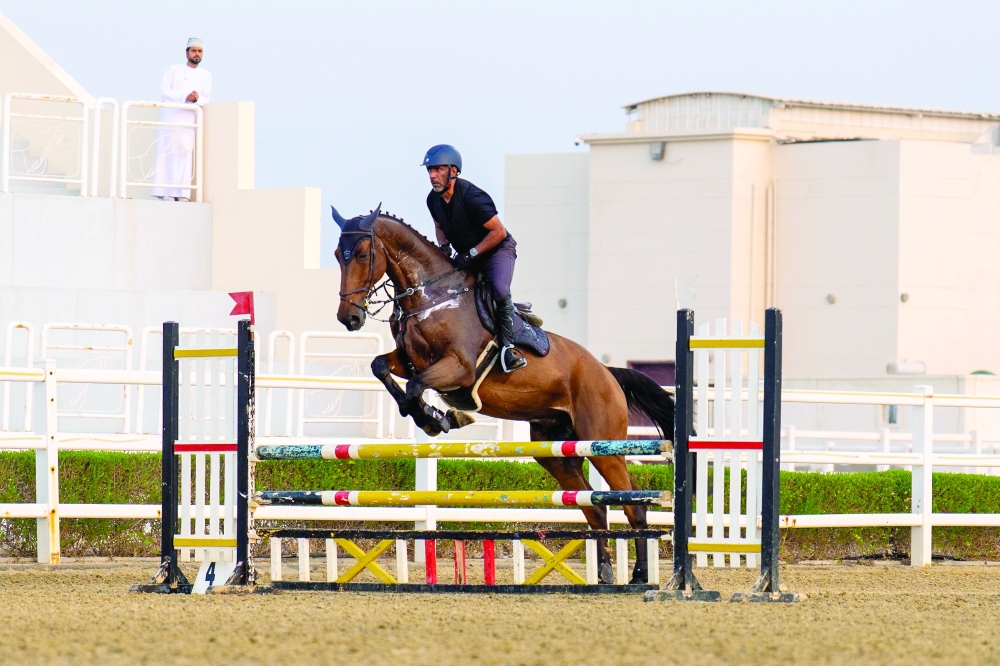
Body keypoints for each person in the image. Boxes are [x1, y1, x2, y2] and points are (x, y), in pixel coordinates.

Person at [423, 144, 526, 372]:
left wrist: (471, 253)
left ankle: (509, 348)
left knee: (499, 290)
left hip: (497, 250)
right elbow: (439, 226)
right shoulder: (433, 200)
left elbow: (498, 232)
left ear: (453, 171)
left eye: (438, 170)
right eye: (430, 170)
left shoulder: (473, 197)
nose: (432, 176)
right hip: (468, 257)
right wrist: (444, 247)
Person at [151, 38, 212, 202]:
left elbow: (205, 98)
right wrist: (184, 97)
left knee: (184, 154)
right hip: (170, 118)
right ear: (187, 53)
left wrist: (195, 99)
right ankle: (165, 192)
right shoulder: (173, 70)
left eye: (199, 51)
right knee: (167, 153)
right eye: (194, 51)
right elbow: (164, 91)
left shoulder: (206, 75)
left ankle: (182, 193)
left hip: (188, 120)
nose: (197, 54)